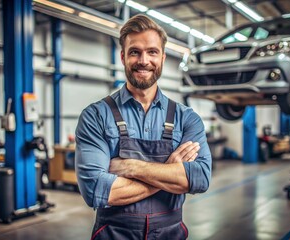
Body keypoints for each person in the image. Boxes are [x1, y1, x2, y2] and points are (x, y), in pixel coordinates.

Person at [75, 14, 212, 240]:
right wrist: (170, 171)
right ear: (123, 57)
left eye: (152, 52)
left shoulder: (187, 118)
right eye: (135, 52)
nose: (143, 60)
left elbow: (199, 179)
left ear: (163, 57)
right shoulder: (96, 116)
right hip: (113, 234)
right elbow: (95, 190)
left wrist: (130, 167)